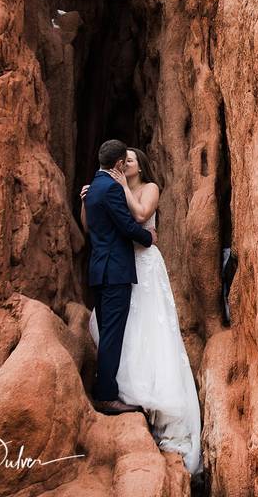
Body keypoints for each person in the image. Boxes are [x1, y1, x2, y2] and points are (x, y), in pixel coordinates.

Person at [80, 143, 203, 476]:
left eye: (133, 160)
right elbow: (100, 223)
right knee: (123, 328)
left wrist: (121, 189)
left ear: (139, 166)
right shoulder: (110, 189)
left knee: (149, 325)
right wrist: (106, 193)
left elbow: (140, 216)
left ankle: (139, 393)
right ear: (119, 164)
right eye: (126, 159)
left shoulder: (148, 188)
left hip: (143, 266)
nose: (129, 163)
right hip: (122, 263)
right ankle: (117, 388)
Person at [82, 139, 155, 416]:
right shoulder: (112, 189)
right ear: (117, 165)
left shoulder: (93, 187)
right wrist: (148, 237)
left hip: (99, 269)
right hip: (115, 272)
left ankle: (108, 386)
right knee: (112, 335)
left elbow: (93, 229)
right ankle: (107, 396)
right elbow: (126, 226)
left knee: (107, 331)